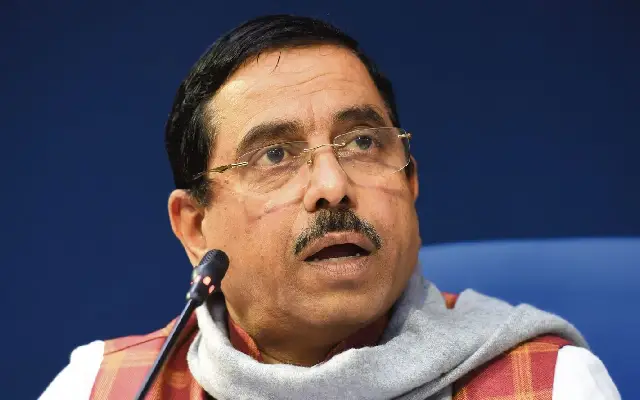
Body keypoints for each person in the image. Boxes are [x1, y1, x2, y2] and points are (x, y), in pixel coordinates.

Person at [39, 14, 620, 400]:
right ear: (195, 227)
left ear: (411, 183)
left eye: (363, 142)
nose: (332, 185)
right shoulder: (101, 388)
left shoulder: (552, 386)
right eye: (274, 154)